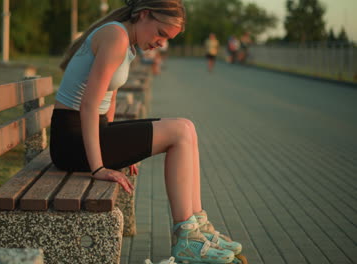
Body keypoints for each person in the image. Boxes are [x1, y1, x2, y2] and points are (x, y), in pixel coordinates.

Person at [50, 1, 245, 263]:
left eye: (167, 39)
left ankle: (197, 226)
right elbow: (88, 105)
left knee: (187, 128)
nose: (161, 43)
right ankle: (187, 238)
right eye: (161, 33)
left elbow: (107, 102)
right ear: (143, 15)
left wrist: (121, 152)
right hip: (72, 142)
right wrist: (99, 167)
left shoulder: (125, 41)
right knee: (179, 132)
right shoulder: (115, 36)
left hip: (87, 134)